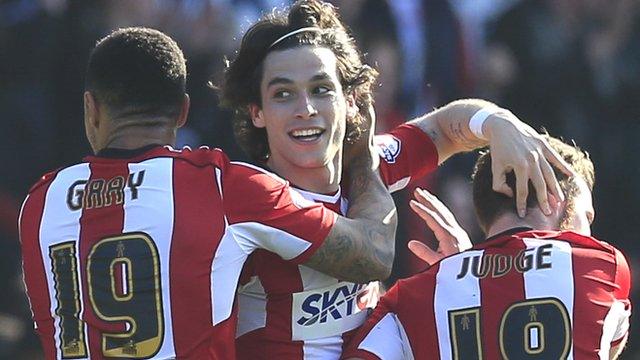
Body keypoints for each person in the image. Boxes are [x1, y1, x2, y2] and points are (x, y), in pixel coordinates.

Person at [18, 27, 400, 360]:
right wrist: (365, 161)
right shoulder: (221, 187)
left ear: (91, 109)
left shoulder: (39, 204)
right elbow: (374, 254)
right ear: (183, 112)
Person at [219, 1, 574, 358]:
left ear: (352, 101)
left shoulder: (362, 169)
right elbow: (374, 255)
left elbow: (441, 129)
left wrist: (497, 122)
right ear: (257, 113)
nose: (305, 109)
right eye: (283, 94)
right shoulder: (248, 202)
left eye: (322, 89)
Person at [343, 136, 632, 360]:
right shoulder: (602, 265)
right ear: (553, 198)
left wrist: (459, 271)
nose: (589, 232)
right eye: (586, 216)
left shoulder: (413, 296)